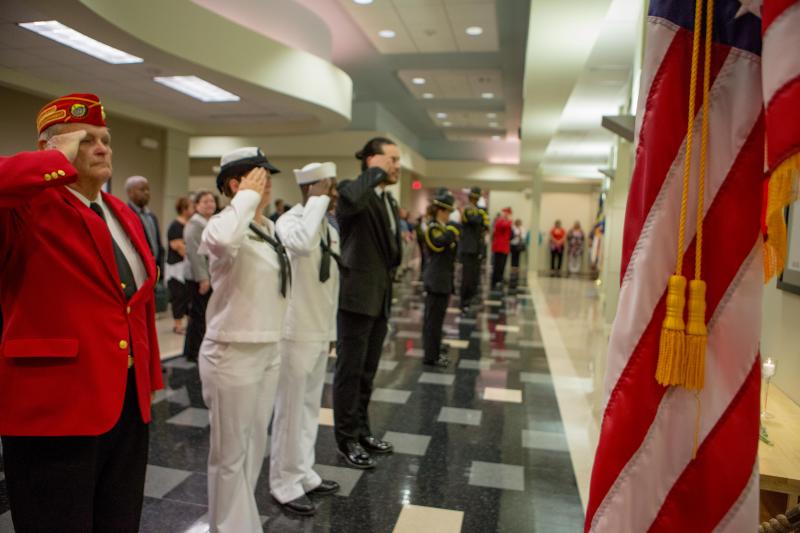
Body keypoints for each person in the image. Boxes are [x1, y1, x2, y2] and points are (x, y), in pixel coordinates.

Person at [0, 93, 162, 532]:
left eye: (105, 138)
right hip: (56, 406)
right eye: (86, 139)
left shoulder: (121, 213)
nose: (102, 147)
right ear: (52, 149)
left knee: (119, 520)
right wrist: (52, 161)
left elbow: (135, 304)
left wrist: (148, 380)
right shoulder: (27, 208)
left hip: (126, 403)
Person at [199, 147, 290, 533]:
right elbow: (221, 243)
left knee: (253, 446)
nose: (267, 183)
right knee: (229, 455)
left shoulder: (266, 228)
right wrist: (245, 199)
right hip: (232, 351)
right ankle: (226, 527)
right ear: (235, 184)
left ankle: (242, 523)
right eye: (258, 176)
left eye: (268, 176)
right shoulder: (222, 224)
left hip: (267, 346)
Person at [271, 162, 342, 516]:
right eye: (328, 188)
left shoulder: (328, 229)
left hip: (318, 331)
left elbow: (331, 286)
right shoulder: (290, 221)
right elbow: (299, 245)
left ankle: (303, 472)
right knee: (290, 410)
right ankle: (283, 483)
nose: (333, 195)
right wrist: (316, 202)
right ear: (311, 189)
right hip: (295, 331)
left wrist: (332, 333)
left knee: (310, 407)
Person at [333, 137, 402, 469]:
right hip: (357, 295)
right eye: (392, 159)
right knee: (350, 370)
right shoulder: (353, 190)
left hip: (380, 295)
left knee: (368, 372)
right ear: (372, 160)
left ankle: (362, 430)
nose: (397, 166)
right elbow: (347, 202)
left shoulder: (386, 201)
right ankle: (346, 438)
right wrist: (374, 172)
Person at [422, 189, 460, 368]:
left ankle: (435, 352)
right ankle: (431, 356)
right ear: (440, 211)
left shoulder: (443, 228)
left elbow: (451, 248)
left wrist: (450, 234)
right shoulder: (433, 228)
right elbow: (438, 244)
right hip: (436, 281)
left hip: (444, 280)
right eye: (447, 212)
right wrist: (452, 233)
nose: (448, 215)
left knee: (438, 321)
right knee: (433, 322)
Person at [183, 190, 216, 362]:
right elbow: (195, 254)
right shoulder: (196, 224)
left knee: (201, 315)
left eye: (211, 201)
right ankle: (195, 353)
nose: (210, 204)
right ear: (196, 206)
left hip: (206, 275)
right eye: (205, 201)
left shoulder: (209, 221)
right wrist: (203, 278)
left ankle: (192, 350)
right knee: (199, 316)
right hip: (197, 277)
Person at [165, 196, 193, 334]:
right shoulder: (176, 226)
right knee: (179, 296)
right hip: (176, 267)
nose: (193, 209)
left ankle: (188, 322)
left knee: (187, 296)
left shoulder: (189, 224)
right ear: (183, 209)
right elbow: (177, 245)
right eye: (191, 206)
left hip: (186, 266)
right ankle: (178, 325)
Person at [458, 186, 489, 311]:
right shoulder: (467, 209)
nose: (476, 199)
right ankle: (464, 302)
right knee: (467, 277)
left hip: (476, 247)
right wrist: (482, 216)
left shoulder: (478, 210)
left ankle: (471, 298)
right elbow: (474, 220)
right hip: (468, 248)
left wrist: (482, 216)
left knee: (475, 276)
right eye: (474, 197)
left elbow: (485, 225)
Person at [126, 175, 165, 273]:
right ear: (130, 192)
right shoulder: (125, 215)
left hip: (154, 270)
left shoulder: (151, 216)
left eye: (148, 189)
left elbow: (158, 244)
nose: (147, 193)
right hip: (137, 270)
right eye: (142, 190)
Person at [491, 207, 513, 288]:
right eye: (506, 213)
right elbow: (504, 226)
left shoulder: (505, 221)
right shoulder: (499, 221)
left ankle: (500, 279)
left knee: (502, 265)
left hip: (504, 247)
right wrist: (509, 220)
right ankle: (495, 280)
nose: (507, 215)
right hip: (499, 247)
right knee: (497, 265)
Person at [509, 219, 526, 286]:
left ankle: (517, 268)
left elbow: (524, 236)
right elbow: (511, 236)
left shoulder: (522, 228)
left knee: (518, 256)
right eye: (517, 222)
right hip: (513, 243)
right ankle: (513, 267)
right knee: (513, 256)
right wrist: (516, 236)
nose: (518, 223)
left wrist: (520, 235)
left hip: (519, 244)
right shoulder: (513, 228)